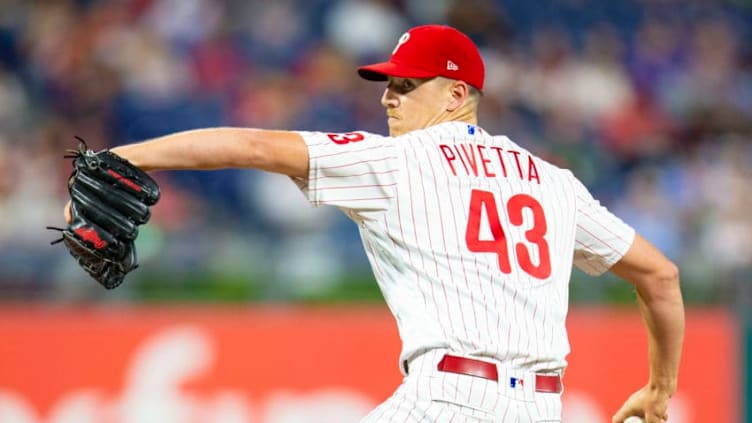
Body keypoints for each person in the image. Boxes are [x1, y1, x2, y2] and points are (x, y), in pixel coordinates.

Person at [64, 25, 684, 422]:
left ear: (455, 95)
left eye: (407, 85)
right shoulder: (555, 184)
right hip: (545, 408)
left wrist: (123, 156)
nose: (388, 98)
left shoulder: (395, 161)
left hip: (447, 400)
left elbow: (252, 145)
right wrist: (659, 390)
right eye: (387, 85)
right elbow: (660, 276)